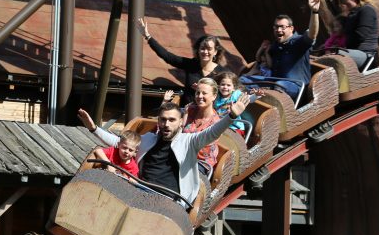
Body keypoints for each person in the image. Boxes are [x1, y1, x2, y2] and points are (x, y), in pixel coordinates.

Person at [76, 92, 251, 209]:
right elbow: (119, 142)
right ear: (158, 121)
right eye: (163, 120)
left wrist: (231, 117)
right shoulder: (149, 139)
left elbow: (211, 133)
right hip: (139, 189)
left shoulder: (189, 141)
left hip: (169, 199)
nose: (166, 124)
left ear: (181, 122)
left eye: (171, 120)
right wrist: (94, 129)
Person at [239, 0, 321, 102]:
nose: (278, 30)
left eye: (282, 27)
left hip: (296, 87)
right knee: (242, 81)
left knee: (280, 85)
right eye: (276, 27)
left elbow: (312, 33)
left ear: (291, 28)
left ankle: (271, 109)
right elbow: (260, 61)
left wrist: (314, 12)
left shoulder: (298, 42)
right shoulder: (275, 46)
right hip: (273, 82)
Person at [137, 18, 227, 90]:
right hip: (188, 110)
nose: (205, 52)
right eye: (202, 49)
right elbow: (167, 56)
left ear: (215, 51)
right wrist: (147, 36)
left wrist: (204, 88)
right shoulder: (190, 64)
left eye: (209, 49)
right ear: (198, 50)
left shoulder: (221, 73)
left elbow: (230, 90)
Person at [180, 77, 222, 172]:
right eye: (197, 92)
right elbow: (179, 129)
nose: (199, 96)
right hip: (182, 154)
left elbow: (199, 148)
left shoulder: (215, 123)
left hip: (200, 162)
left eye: (204, 93)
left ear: (214, 96)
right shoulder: (190, 110)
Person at [336, 0, 379, 70]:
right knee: (325, 56)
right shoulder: (352, 13)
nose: (343, 2)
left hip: (367, 54)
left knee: (335, 58)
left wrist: (340, 47)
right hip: (353, 52)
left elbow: (360, 36)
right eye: (342, 0)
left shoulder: (367, 10)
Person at [213, 71, 246, 136]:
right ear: (218, 86)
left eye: (228, 85)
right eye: (223, 84)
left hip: (234, 127)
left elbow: (248, 99)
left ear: (234, 88)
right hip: (219, 125)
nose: (225, 87)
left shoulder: (236, 94)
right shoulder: (216, 96)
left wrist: (256, 95)